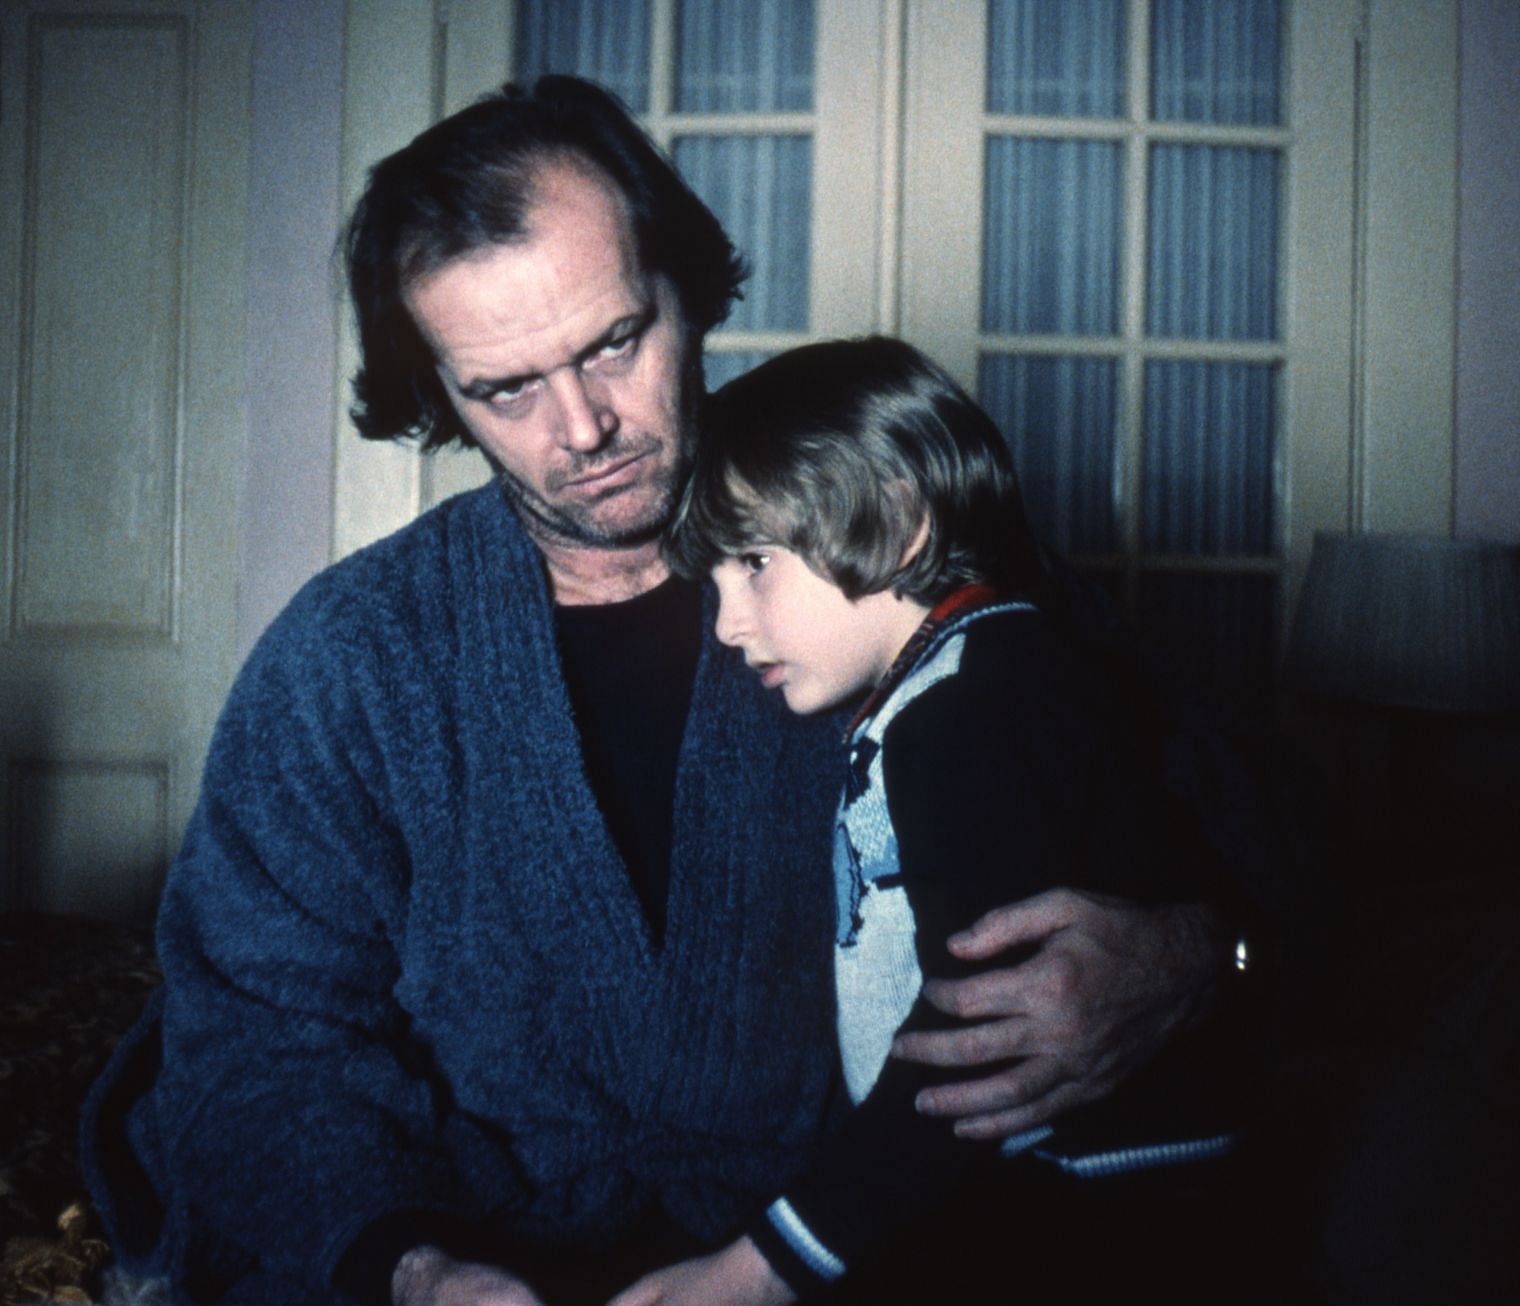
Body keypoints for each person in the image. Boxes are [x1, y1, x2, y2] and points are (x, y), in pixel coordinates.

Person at [80, 75, 1232, 1306]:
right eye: (506, 389)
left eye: (614, 342)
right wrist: (410, 1269)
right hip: (475, 1248)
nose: (582, 428)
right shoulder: (352, 658)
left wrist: (1204, 954)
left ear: (690, 291)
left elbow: (1263, 838)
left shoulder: (903, 555)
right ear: (438, 395)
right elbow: (254, 1032)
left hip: (854, 1247)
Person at [606, 337, 1240, 1306]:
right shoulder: (950, 684)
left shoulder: (968, 708)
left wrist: (760, 1267)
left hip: (1087, 1213)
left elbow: (973, 1052)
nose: (728, 620)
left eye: (755, 563)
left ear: (899, 522)